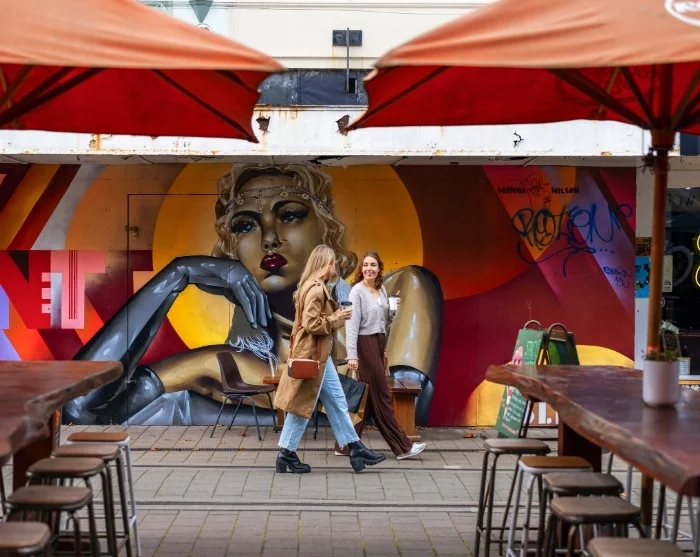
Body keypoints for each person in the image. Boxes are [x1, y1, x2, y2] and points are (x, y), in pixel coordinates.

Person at [64, 163, 442, 427]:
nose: (269, 238)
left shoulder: (398, 289)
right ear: (231, 251)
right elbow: (78, 411)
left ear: (326, 230)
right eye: (245, 225)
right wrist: (179, 273)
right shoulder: (226, 364)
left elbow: (400, 416)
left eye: (290, 215)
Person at [274, 245, 386, 473]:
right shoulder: (316, 289)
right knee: (302, 406)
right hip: (314, 358)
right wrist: (337, 317)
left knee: (337, 401)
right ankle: (286, 453)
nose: (334, 268)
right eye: (332, 263)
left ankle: (354, 447)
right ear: (325, 264)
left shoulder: (309, 286)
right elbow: (311, 324)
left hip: (318, 357)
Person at [341, 252, 427, 460]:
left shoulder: (381, 289)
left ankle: (344, 445)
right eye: (365, 265)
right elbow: (351, 325)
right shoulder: (357, 291)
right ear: (361, 268)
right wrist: (352, 355)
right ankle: (402, 446)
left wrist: (393, 308)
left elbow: (385, 322)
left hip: (378, 343)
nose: (369, 268)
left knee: (365, 398)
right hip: (365, 344)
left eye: (373, 265)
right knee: (383, 395)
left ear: (379, 268)